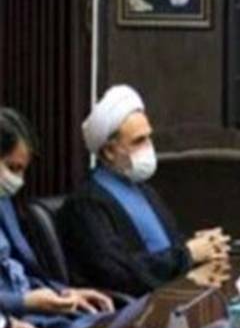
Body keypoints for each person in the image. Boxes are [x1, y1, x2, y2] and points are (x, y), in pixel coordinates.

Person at [58, 85, 229, 296]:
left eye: (149, 138)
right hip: (136, 307)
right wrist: (188, 254)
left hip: (171, 294)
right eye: (139, 141)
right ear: (110, 151)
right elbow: (118, 273)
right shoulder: (86, 203)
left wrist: (204, 245)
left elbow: (168, 248)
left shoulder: (143, 189)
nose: (149, 147)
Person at [0, 108, 115, 328]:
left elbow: (22, 270)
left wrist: (63, 292)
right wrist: (25, 302)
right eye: (12, 168)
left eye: (22, 170)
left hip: (38, 311)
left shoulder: (4, 202)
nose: (19, 180)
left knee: (116, 327)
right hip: (14, 325)